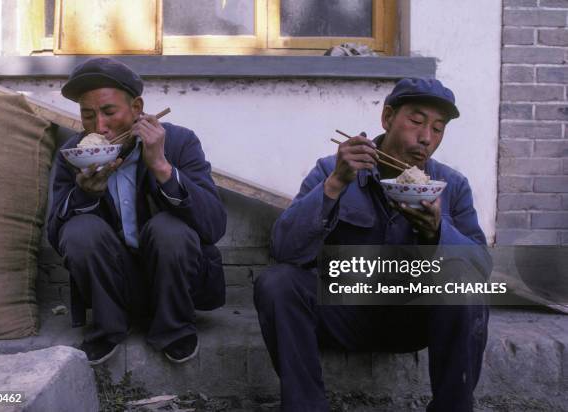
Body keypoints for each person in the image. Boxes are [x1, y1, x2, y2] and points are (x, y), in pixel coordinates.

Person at [254, 78, 492, 411]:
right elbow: (285, 249)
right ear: (388, 117)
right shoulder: (332, 168)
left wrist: (437, 233)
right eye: (417, 120)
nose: (426, 137)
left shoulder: (451, 185)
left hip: (413, 318)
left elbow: (481, 268)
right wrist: (335, 184)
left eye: (438, 129)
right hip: (343, 314)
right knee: (277, 282)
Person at [47, 58, 227, 365]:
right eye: (87, 115)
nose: (99, 127)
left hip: (174, 281)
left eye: (109, 112)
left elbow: (213, 226)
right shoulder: (74, 154)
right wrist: (84, 194)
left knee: (169, 228)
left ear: (137, 107)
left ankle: (174, 327)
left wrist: (161, 166)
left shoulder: (179, 141)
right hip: (114, 283)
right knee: (79, 230)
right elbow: (56, 234)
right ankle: (108, 329)